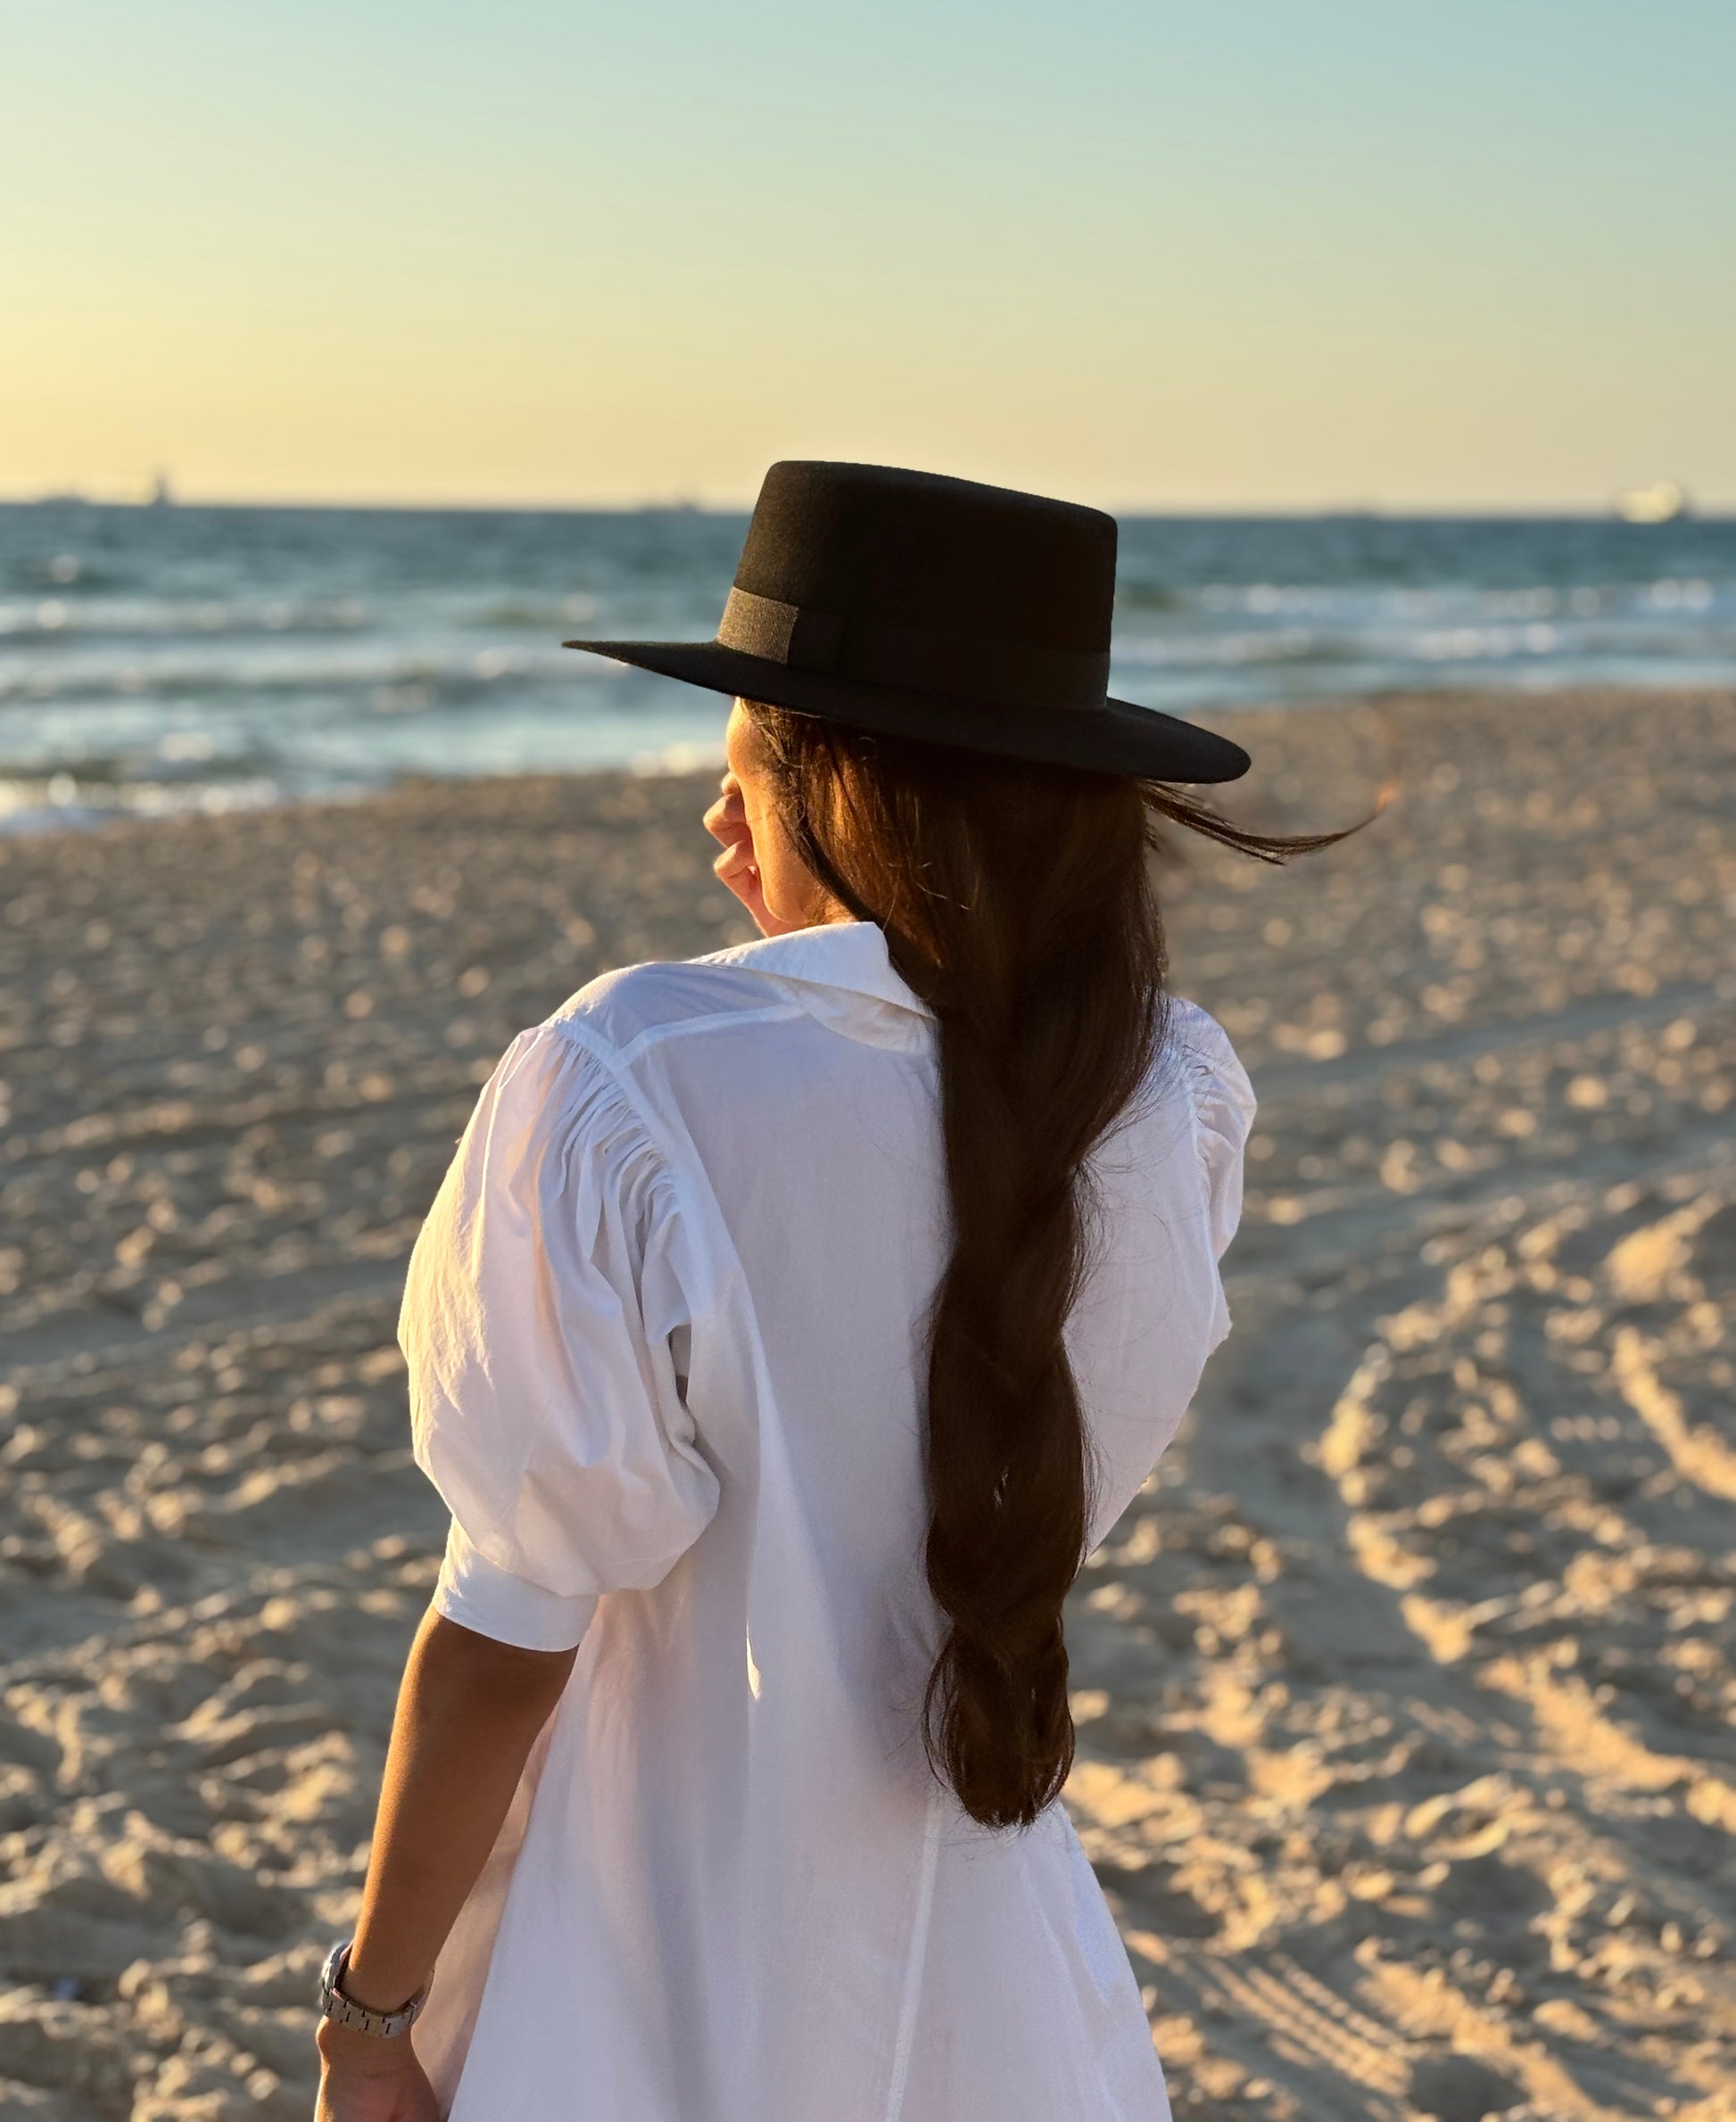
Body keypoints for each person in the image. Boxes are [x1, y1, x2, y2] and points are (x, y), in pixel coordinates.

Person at [312, 462, 1355, 2122]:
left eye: (743, 769)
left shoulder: (633, 1075)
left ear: (848, 789)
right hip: (1000, 1985)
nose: (712, 819)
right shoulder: (1166, 1090)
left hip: (657, 1955)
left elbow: (510, 1623)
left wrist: (369, 2017)